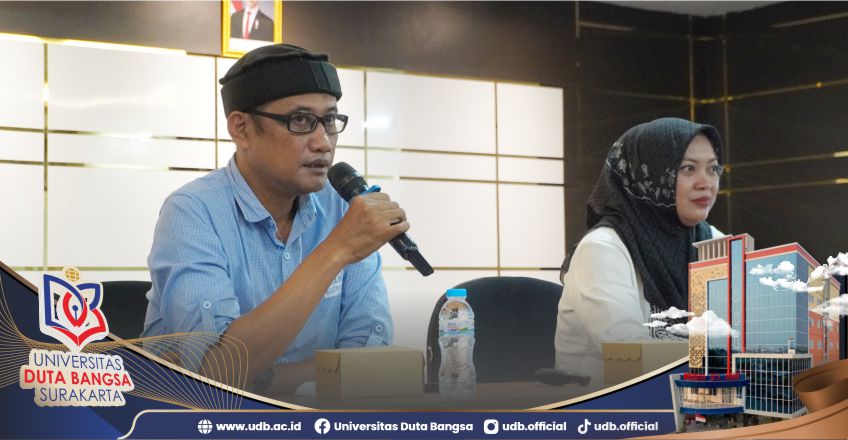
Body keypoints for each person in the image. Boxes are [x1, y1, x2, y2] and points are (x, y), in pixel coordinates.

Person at [142, 44, 408, 394]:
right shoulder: (192, 211)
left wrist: (267, 378)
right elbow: (215, 372)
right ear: (242, 129)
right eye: (300, 121)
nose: (323, 143)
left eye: (329, 121)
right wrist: (335, 251)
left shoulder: (341, 206)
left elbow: (371, 358)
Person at [555, 118, 724, 385]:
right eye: (688, 168)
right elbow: (627, 353)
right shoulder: (602, 249)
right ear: (648, 176)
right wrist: (724, 354)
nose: (706, 183)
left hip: (695, 396)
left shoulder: (712, 241)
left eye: (713, 169)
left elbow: (743, 329)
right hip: (606, 399)